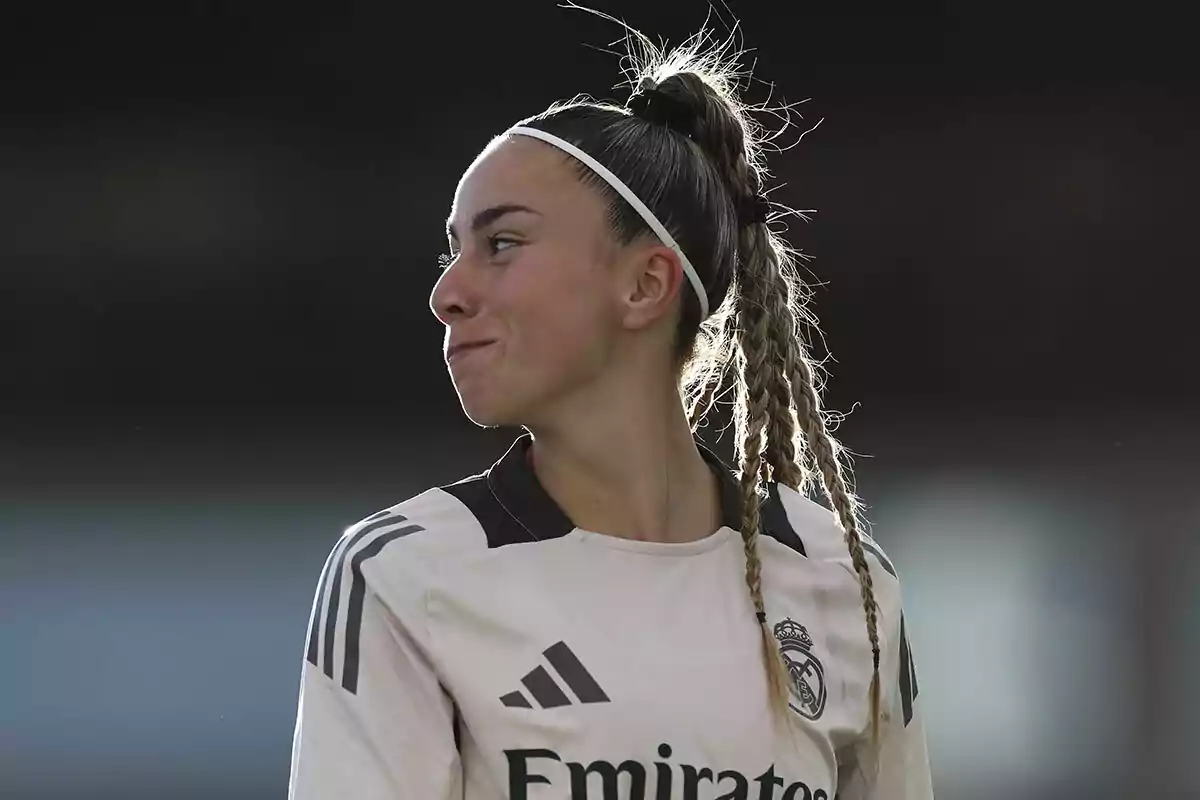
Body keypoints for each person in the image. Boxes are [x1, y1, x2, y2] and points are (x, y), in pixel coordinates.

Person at [288, 24, 932, 800]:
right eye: (451, 252)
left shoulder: (838, 583)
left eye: (502, 243)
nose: (447, 294)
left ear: (644, 284)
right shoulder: (406, 572)